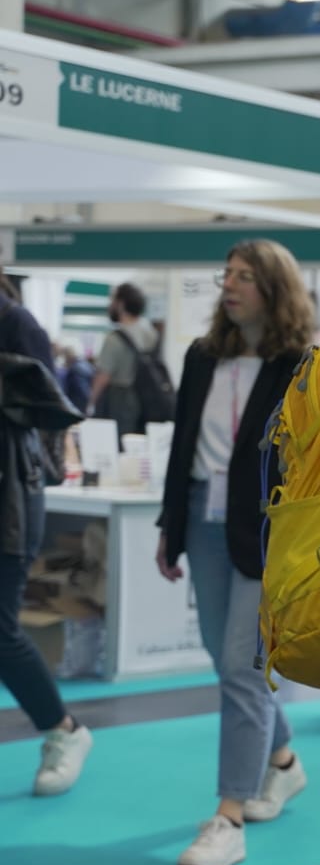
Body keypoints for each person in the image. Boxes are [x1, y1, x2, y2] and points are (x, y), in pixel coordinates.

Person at [156, 241, 314, 865]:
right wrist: (171, 528)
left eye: (245, 277)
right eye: (227, 275)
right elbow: (182, 445)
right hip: (201, 518)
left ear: (274, 288)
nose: (230, 286)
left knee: (240, 667)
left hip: (265, 530)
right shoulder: (202, 357)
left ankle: (228, 815)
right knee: (224, 664)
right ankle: (282, 763)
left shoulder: (300, 363)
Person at [0, 268, 93, 796]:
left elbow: (53, 416)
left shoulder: (16, 323)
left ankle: (63, 729)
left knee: (3, 631)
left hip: (10, 500)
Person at [93, 282, 161, 437]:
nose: (110, 306)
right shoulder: (152, 333)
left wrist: (91, 402)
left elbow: (103, 376)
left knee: (118, 444)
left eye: (112, 301)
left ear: (121, 304)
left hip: (120, 399)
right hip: (148, 399)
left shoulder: (115, 338)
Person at [56, 344, 94, 414]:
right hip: (83, 405)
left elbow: (82, 392)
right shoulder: (86, 365)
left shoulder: (75, 369)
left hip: (77, 406)